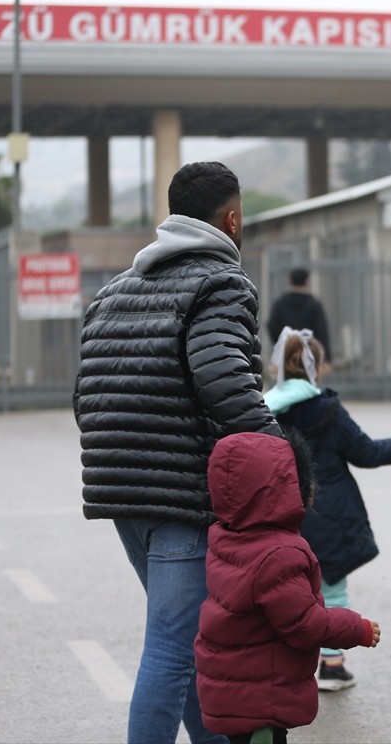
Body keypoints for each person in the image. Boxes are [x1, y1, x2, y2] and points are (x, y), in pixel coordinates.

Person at [74, 161, 282, 744]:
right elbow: (223, 378)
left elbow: (85, 394)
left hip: (121, 491)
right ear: (232, 219)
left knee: (188, 639)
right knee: (172, 644)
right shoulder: (221, 282)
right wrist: (282, 452)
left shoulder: (114, 290)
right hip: (183, 495)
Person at [195, 432, 381, 744]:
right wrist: (355, 628)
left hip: (236, 689)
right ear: (281, 489)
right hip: (259, 699)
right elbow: (304, 624)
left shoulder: (227, 537)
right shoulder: (279, 554)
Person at [264, 328, 391, 691]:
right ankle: (332, 665)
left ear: (277, 366)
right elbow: (365, 452)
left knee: (284, 589)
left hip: (281, 515)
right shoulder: (328, 410)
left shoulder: (262, 411)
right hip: (329, 513)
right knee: (332, 588)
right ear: (319, 367)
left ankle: (284, 664)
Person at [267, 268, 331, 361]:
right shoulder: (314, 304)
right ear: (307, 281)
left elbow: (272, 326)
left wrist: (281, 343)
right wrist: (327, 358)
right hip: (309, 355)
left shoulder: (280, 303)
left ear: (290, 280)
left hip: (286, 354)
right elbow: (322, 331)